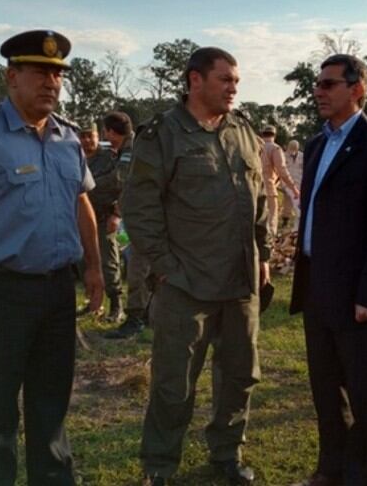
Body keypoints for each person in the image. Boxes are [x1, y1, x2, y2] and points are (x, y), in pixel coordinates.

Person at [0, 29, 104, 486]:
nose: (52, 82)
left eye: (58, 75)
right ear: (12, 77)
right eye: (41, 72)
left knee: (51, 401)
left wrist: (94, 266)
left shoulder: (68, 138)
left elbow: (80, 202)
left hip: (55, 291)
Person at [122, 47, 270, 486]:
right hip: (186, 283)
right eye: (225, 79)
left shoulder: (242, 132)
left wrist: (261, 256)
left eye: (236, 81)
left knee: (240, 375)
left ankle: (226, 453)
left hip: (240, 280)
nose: (233, 88)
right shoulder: (162, 134)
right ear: (194, 81)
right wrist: (166, 267)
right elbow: (140, 207)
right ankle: (160, 465)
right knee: (174, 384)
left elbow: (260, 200)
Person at [290, 54, 367, 486]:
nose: (318, 90)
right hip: (317, 284)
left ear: (357, 89)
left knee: (364, 392)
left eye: (329, 83)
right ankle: (330, 469)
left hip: (357, 291)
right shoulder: (317, 143)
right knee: (325, 388)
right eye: (317, 83)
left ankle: (359, 475)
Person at [95, 111, 152, 339]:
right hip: (135, 216)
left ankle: (136, 319)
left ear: (110, 131)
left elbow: (119, 178)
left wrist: (87, 185)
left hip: (143, 218)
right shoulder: (123, 149)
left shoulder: (131, 149)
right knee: (141, 266)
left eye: (106, 132)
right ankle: (146, 316)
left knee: (138, 269)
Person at [78, 120, 124, 322]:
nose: (87, 140)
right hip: (81, 221)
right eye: (83, 136)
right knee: (84, 263)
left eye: (91, 136)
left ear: (99, 137)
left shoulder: (110, 159)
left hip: (105, 218)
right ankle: (93, 303)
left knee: (109, 263)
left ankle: (116, 306)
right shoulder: (74, 158)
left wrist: (117, 215)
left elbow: (124, 186)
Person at [261, 124, 299, 239]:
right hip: (268, 188)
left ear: (262, 134)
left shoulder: (254, 146)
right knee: (271, 219)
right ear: (274, 135)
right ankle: (269, 245)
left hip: (251, 189)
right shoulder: (274, 148)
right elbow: (282, 171)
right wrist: (294, 188)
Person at [280, 139, 304, 231]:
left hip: (299, 182)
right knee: (287, 203)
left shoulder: (302, 156)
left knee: (297, 203)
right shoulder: (283, 156)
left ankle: (297, 224)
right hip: (287, 183)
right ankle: (286, 221)